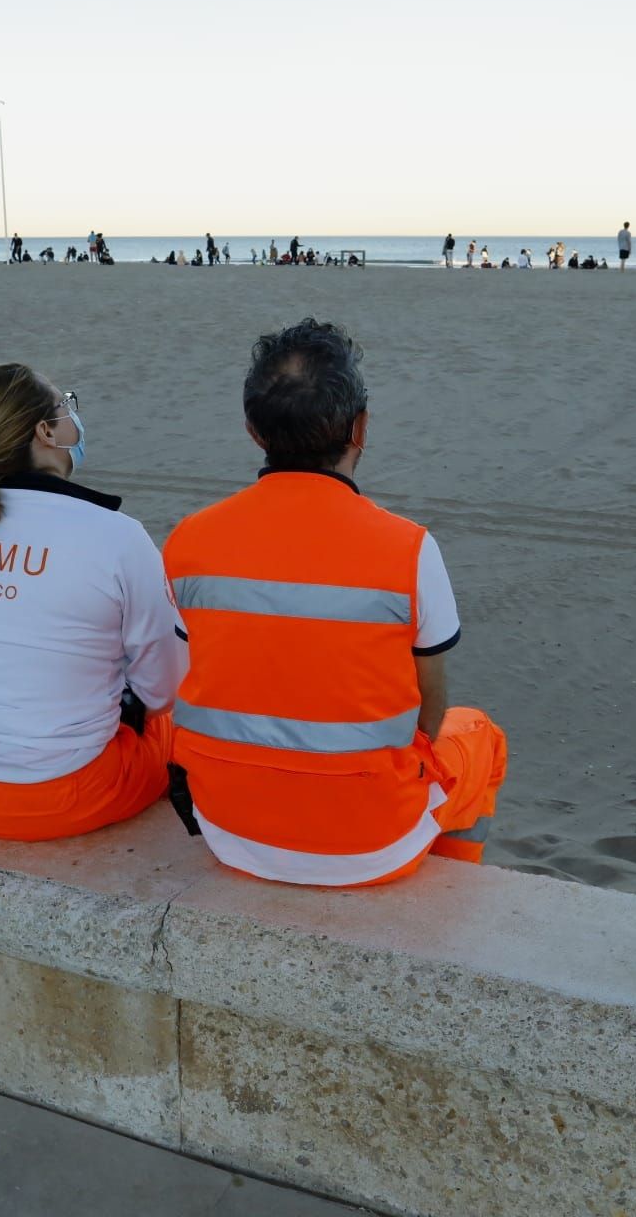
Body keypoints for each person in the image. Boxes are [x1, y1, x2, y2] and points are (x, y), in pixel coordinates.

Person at [163, 319, 508, 887]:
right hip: (371, 843)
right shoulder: (409, 548)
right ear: (361, 428)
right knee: (481, 735)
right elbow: (431, 705)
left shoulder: (189, 539)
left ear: (254, 432)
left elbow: (189, 674)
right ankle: (452, 885)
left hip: (229, 831)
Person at [0, 365, 187, 841]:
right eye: (66, 406)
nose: (75, 416)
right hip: (56, 793)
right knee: (180, 717)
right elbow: (165, 690)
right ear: (46, 432)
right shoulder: (116, 536)